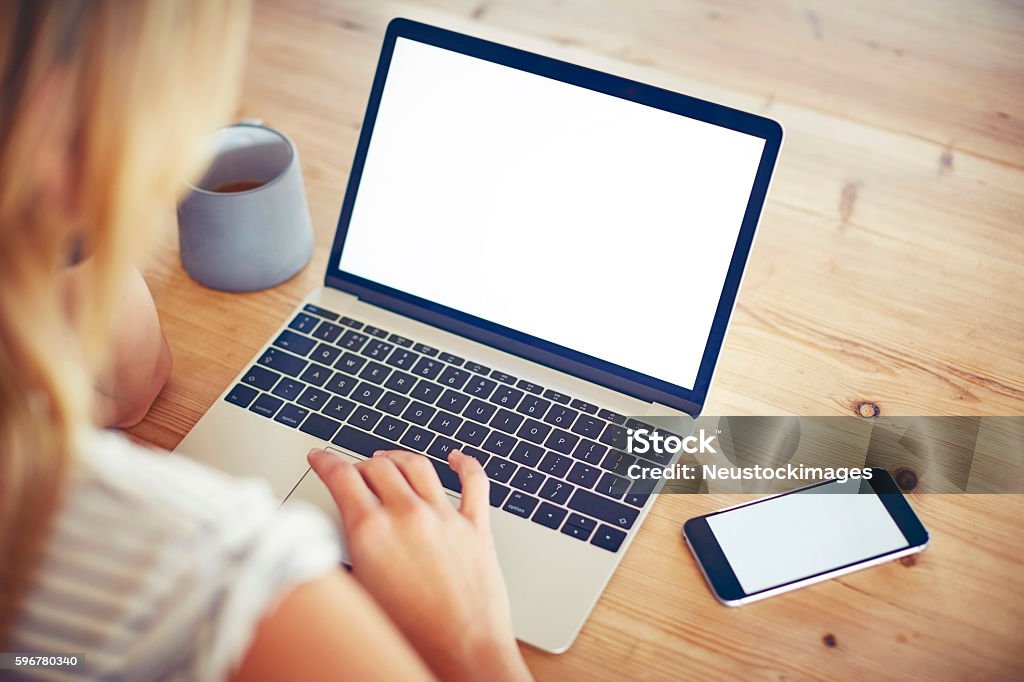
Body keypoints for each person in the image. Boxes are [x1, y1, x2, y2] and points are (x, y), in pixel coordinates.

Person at [0, 2, 531, 680]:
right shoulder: (223, 580)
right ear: (61, 128)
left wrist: (65, 214)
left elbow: (129, 396)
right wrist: (475, 640)